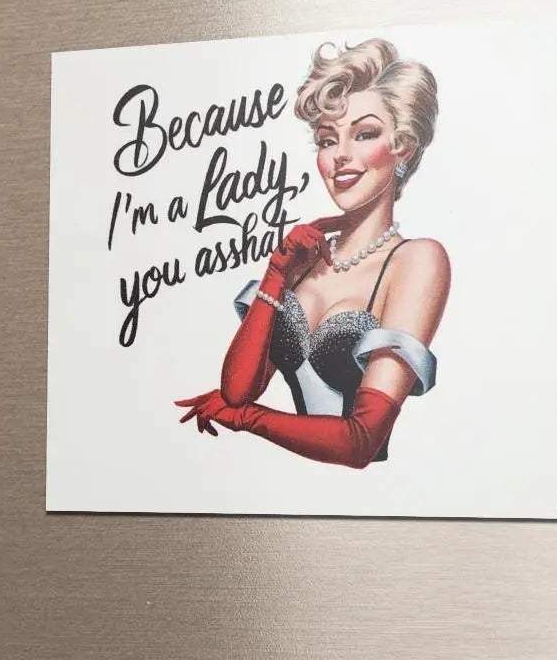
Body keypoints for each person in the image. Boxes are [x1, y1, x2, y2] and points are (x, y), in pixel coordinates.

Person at [175, 39, 450, 467]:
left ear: (404, 146)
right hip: (274, 486)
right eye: (327, 139)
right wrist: (275, 274)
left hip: (373, 501)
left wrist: (249, 419)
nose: (340, 155)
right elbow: (236, 390)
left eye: (364, 134)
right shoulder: (304, 260)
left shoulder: (418, 261)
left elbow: (362, 443)